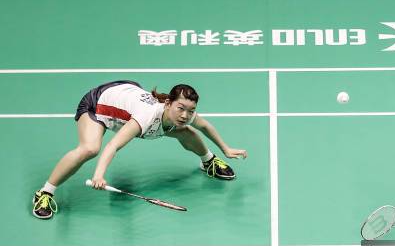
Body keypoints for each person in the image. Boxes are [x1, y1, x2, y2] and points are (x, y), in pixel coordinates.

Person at [32, 81, 247, 219]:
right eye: (180, 108)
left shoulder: (183, 116)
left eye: (190, 111)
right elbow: (113, 145)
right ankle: (45, 192)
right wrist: (99, 175)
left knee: (186, 131)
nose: (185, 115)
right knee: (90, 148)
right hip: (98, 105)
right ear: (168, 104)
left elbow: (205, 126)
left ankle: (208, 161)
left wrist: (226, 149)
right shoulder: (145, 117)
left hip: (125, 95)